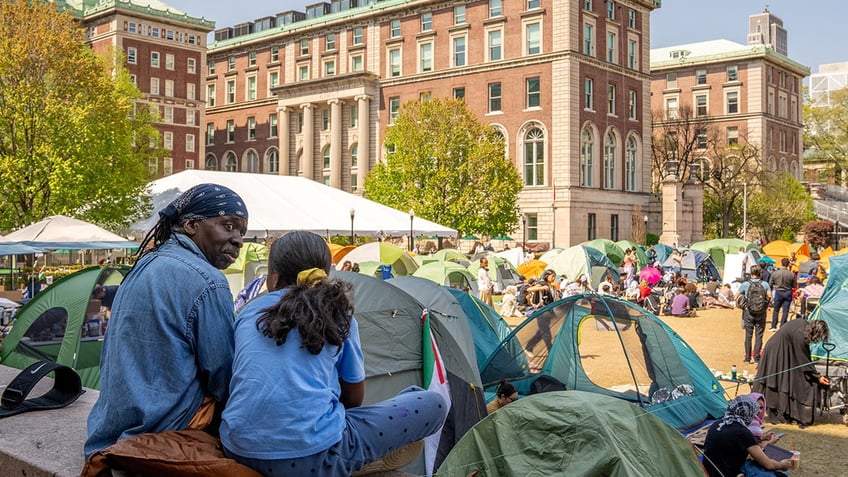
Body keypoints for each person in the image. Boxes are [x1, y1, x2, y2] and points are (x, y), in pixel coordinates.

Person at [219, 231, 448, 476]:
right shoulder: (338, 313)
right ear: (325, 276)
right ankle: (357, 459)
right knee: (432, 403)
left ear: (272, 279)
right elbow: (353, 399)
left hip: (239, 449)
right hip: (315, 459)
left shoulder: (247, 312)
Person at [84, 184, 249, 459]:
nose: (238, 240)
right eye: (228, 226)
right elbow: (224, 376)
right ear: (192, 225)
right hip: (164, 433)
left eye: (241, 232)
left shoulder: (145, 264)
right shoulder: (209, 281)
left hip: (108, 434)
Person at [753, 319, 830, 428]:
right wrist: (817, 376)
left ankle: (785, 412)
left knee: (784, 380)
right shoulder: (800, 334)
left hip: (783, 350)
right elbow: (804, 360)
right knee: (776, 380)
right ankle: (774, 411)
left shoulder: (804, 325)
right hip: (776, 351)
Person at [702, 395, 793, 477]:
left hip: (707, 471)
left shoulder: (717, 424)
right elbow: (768, 464)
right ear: (748, 412)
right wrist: (783, 465)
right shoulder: (742, 432)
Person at [735, 265, 772, 364]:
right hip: (761, 312)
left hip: (748, 312)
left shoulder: (746, 284)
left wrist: (743, 303)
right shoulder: (765, 284)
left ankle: (747, 358)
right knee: (759, 335)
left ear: (751, 273)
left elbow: (736, 296)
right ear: (760, 273)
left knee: (748, 335)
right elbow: (770, 298)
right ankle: (756, 357)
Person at [768, 258, 796, 331]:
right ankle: (783, 325)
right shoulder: (791, 274)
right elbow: (794, 285)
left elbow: (770, 283)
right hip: (787, 292)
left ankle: (774, 325)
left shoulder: (775, 273)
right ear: (788, 264)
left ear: (781, 263)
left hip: (778, 291)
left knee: (776, 310)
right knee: (785, 310)